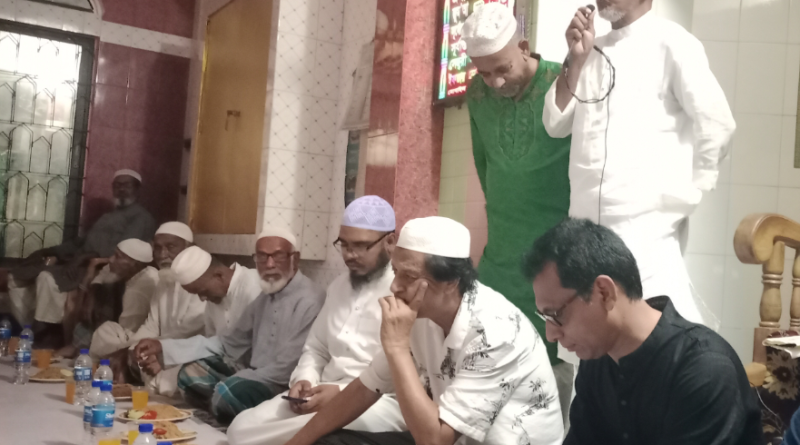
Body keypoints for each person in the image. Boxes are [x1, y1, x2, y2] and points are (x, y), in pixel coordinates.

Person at [286, 216, 563, 445]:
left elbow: (435, 441)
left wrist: (396, 347)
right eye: (395, 272)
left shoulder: (495, 332)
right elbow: (365, 388)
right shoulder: (419, 311)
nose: (394, 286)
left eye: (409, 276)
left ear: (451, 282)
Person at [542, 0, 735, 326]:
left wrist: (690, 190)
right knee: (586, 335)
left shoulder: (673, 42)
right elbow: (555, 123)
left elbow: (717, 122)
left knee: (651, 330)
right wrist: (575, 59)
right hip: (584, 226)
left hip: (646, 228)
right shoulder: (589, 51)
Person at [524, 218, 762, 444]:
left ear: (604, 293)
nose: (551, 335)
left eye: (556, 315)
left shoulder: (704, 368)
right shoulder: (598, 361)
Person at [461, 3, 573, 425]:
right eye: (484, 72)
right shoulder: (477, 94)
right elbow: (484, 167)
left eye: (502, 68)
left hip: (558, 258)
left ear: (523, 47)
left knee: (552, 379)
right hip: (501, 259)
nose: (495, 81)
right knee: (493, 364)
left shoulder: (566, 81)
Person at [227, 196, 405, 445]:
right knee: (241, 428)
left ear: (390, 242)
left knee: (301, 432)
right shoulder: (338, 287)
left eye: (361, 246)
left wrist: (339, 393)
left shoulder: (403, 292)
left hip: (378, 401)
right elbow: (316, 348)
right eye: (344, 245)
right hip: (322, 391)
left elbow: (405, 372)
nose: (350, 255)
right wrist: (305, 380)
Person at [134, 229, 325, 423]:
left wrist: (242, 378)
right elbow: (228, 343)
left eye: (278, 256)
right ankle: (223, 412)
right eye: (261, 257)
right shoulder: (266, 296)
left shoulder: (310, 299)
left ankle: (228, 413)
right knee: (189, 375)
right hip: (249, 375)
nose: (269, 264)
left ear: (295, 259)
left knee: (228, 392)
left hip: (283, 384)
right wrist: (164, 348)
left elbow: (288, 367)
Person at [7, 169, 156, 342]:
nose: (121, 189)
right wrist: (53, 251)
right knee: (16, 277)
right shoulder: (108, 216)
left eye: (126, 185)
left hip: (101, 266)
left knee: (46, 278)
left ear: (137, 189)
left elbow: (124, 251)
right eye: (117, 185)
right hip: (78, 262)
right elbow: (81, 242)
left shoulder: (141, 217)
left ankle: (46, 331)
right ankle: (28, 326)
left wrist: (82, 259)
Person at [132, 243, 263, 396]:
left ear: (219, 275)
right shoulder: (214, 299)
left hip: (259, 373)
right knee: (174, 377)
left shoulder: (255, 288)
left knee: (194, 379)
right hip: (228, 367)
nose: (202, 299)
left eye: (203, 292)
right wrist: (162, 348)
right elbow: (215, 345)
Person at [88, 222, 206, 386]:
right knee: (108, 333)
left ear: (189, 248)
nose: (163, 254)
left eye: (171, 247)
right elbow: (151, 326)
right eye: (158, 248)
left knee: (153, 362)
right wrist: (130, 350)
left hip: (183, 351)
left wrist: (130, 351)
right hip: (158, 345)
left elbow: (185, 334)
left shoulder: (200, 281)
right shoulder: (164, 280)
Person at [56, 238, 158, 358]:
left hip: (134, 344)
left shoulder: (137, 292)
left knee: (106, 332)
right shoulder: (142, 271)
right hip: (117, 331)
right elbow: (103, 274)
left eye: (118, 257)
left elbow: (124, 333)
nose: (110, 259)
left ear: (134, 264)